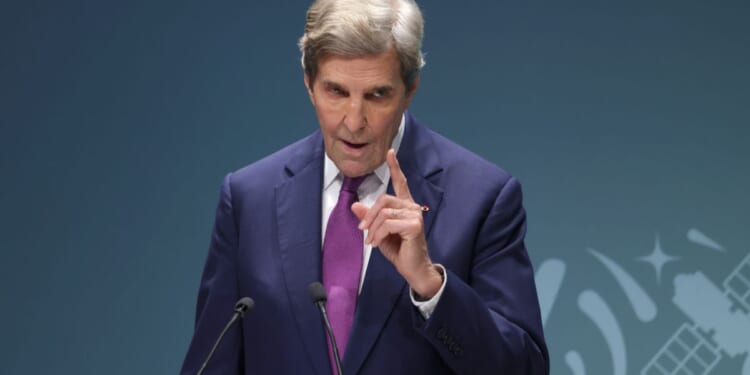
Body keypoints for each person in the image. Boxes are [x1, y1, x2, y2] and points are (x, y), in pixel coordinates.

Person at [181, 0, 549, 374]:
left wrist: (431, 287)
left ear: (410, 90)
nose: (354, 122)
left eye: (377, 95)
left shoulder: (482, 199)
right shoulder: (248, 199)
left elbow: (524, 368)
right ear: (309, 85)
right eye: (336, 92)